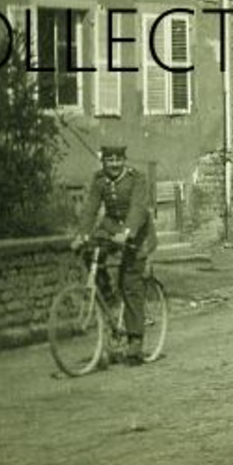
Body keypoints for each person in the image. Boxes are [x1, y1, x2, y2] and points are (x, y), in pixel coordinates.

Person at [74, 144, 159, 365]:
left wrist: (127, 232)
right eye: (109, 161)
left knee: (130, 282)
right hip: (110, 228)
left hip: (138, 233)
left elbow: (139, 208)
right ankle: (109, 301)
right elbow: (90, 208)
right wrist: (82, 234)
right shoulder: (99, 180)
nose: (113, 165)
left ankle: (135, 340)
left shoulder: (136, 179)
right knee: (90, 252)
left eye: (118, 160)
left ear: (124, 161)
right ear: (103, 161)